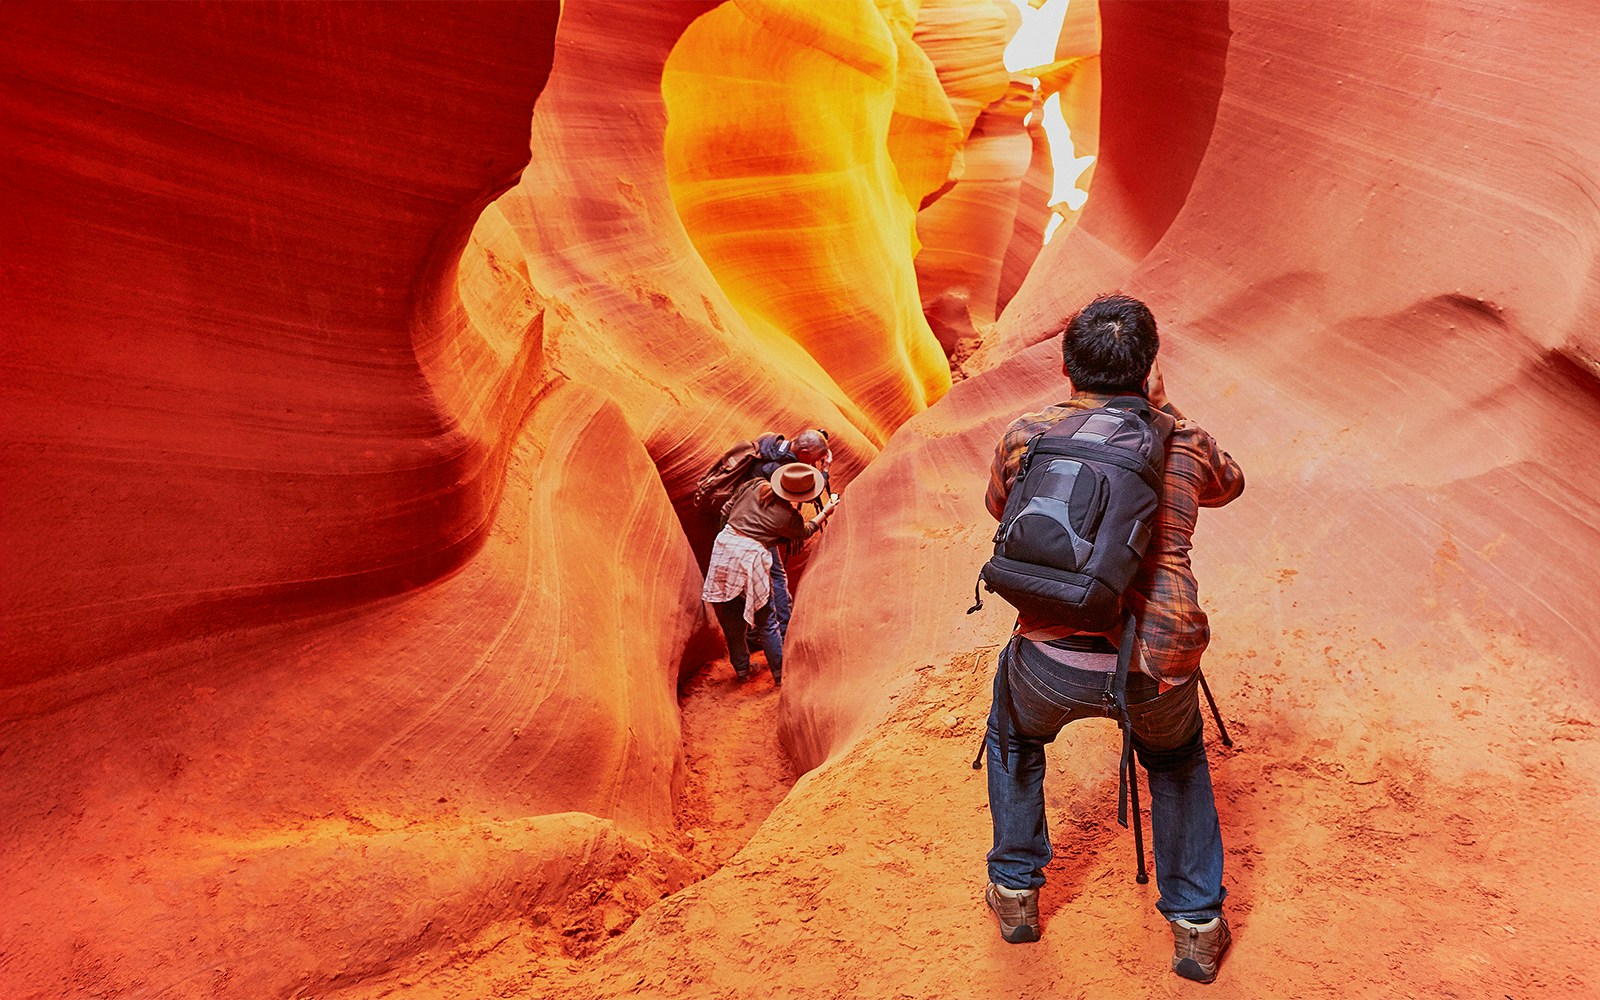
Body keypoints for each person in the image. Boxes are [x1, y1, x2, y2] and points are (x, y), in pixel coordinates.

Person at [979, 294, 1245, 983]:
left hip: (1050, 654)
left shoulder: (1028, 434)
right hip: (1156, 660)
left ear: (1068, 367)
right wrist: (1164, 409)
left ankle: (1015, 892)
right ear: (1149, 367)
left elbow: (1000, 507)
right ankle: (1196, 926)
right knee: (1176, 760)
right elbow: (1230, 485)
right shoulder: (1184, 442)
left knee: (1013, 736)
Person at [703, 462, 839, 685]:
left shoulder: (754, 485)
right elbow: (804, 532)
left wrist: (730, 534)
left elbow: (728, 508)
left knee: (732, 615)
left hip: (724, 549)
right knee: (766, 620)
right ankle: (779, 673)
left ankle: (742, 669)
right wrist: (825, 512)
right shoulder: (788, 517)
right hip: (750, 558)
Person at [748, 428, 833, 643]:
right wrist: (824, 472)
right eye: (813, 459)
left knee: (759, 578)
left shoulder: (773, 445)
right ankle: (782, 633)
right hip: (761, 526)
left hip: (745, 518)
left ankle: (755, 631)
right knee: (776, 576)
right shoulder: (785, 468)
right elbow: (807, 494)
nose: (813, 464)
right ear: (803, 452)